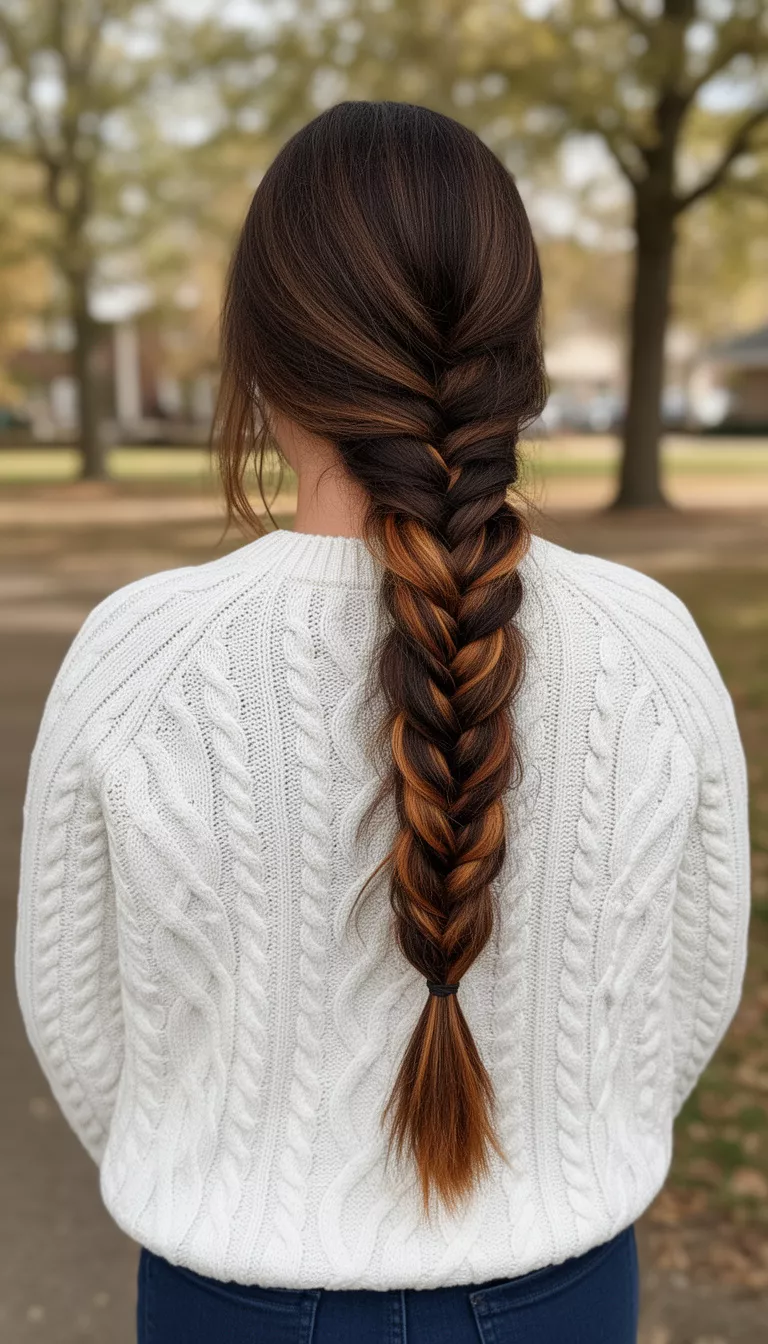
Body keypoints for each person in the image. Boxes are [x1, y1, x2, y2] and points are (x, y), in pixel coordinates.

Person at [15, 101, 750, 1344]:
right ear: (514, 352)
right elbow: (686, 994)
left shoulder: (140, 659)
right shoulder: (648, 647)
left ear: (259, 355)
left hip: (226, 1304)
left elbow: (80, 1020)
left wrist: (237, 1178)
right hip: (565, 1299)